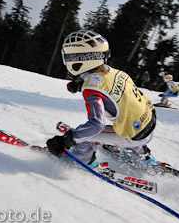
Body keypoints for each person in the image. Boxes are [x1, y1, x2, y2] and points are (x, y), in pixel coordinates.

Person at [46, 30, 158, 169]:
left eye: (68, 57)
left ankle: (83, 161)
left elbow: (96, 125)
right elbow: (112, 92)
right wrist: (81, 85)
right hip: (148, 124)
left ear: (79, 60)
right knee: (127, 121)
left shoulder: (92, 89)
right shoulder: (116, 72)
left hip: (133, 135)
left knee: (84, 135)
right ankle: (142, 156)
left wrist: (67, 140)